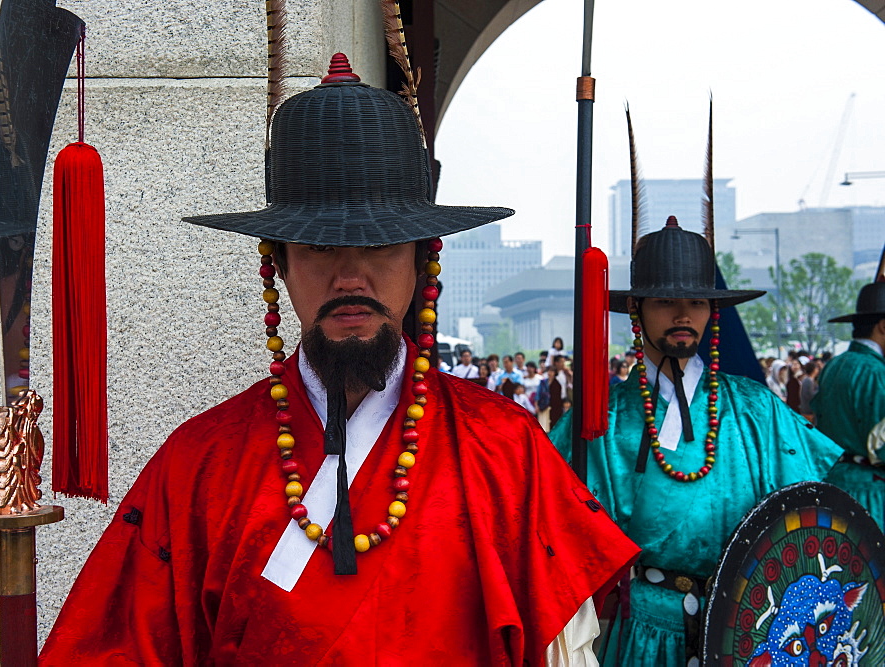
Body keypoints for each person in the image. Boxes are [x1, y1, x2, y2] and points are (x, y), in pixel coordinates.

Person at [39, 55, 637, 665]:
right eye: (321, 246)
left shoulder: (504, 449)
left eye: (379, 245)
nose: (351, 276)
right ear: (279, 263)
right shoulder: (201, 463)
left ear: (422, 260)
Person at [549, 216, 840, 665]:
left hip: (746, 629)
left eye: (697, 301)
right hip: (643, 630)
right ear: (637, 310)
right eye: (666, 301)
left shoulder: (755, 408)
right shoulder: (600, 418)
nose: (684, 315)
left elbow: (814, 509)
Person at [811, 280, 885, 530]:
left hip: (833, 486)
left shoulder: (834, 365)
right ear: (883, 326)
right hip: (871, 493)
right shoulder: (876, 372)